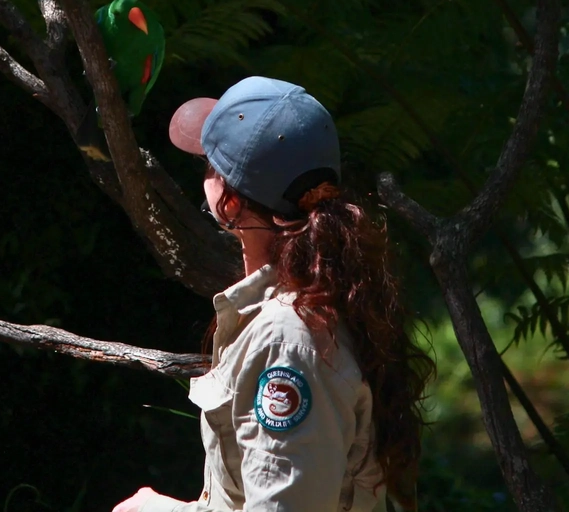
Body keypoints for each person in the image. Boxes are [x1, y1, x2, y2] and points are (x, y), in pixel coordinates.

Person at [112, 76, 434, 512]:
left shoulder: (287, 340)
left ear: (229, 204)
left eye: (209, 164)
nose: (203, 171)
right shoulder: (331, 295)